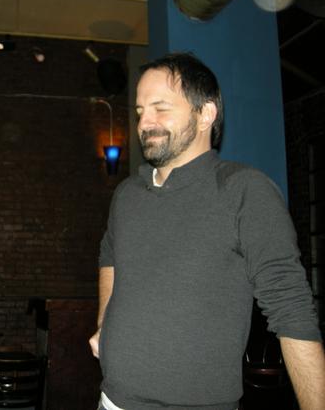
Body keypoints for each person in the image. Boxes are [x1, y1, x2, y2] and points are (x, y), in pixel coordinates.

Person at [89, 52, 325, 410]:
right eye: (140, 111)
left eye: (160, 108)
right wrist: (104, 323)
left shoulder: (244, 190)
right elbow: (109, 256)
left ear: (205, 114)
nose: (145, 122)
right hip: (111, 400)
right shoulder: (127, 194)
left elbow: (291, 310)